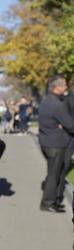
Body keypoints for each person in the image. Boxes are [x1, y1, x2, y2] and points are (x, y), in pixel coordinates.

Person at [38, 75, 74, 212]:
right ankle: (48, 203)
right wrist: (64, 125)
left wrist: (63, 125)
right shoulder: (57, 105)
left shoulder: (47, 100)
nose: (66, 87)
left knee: (52, 173)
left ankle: (51, 200)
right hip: (55, 144)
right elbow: (70, 125)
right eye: (64, 85)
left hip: (48, 141)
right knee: (54, 174)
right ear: (57, 87)